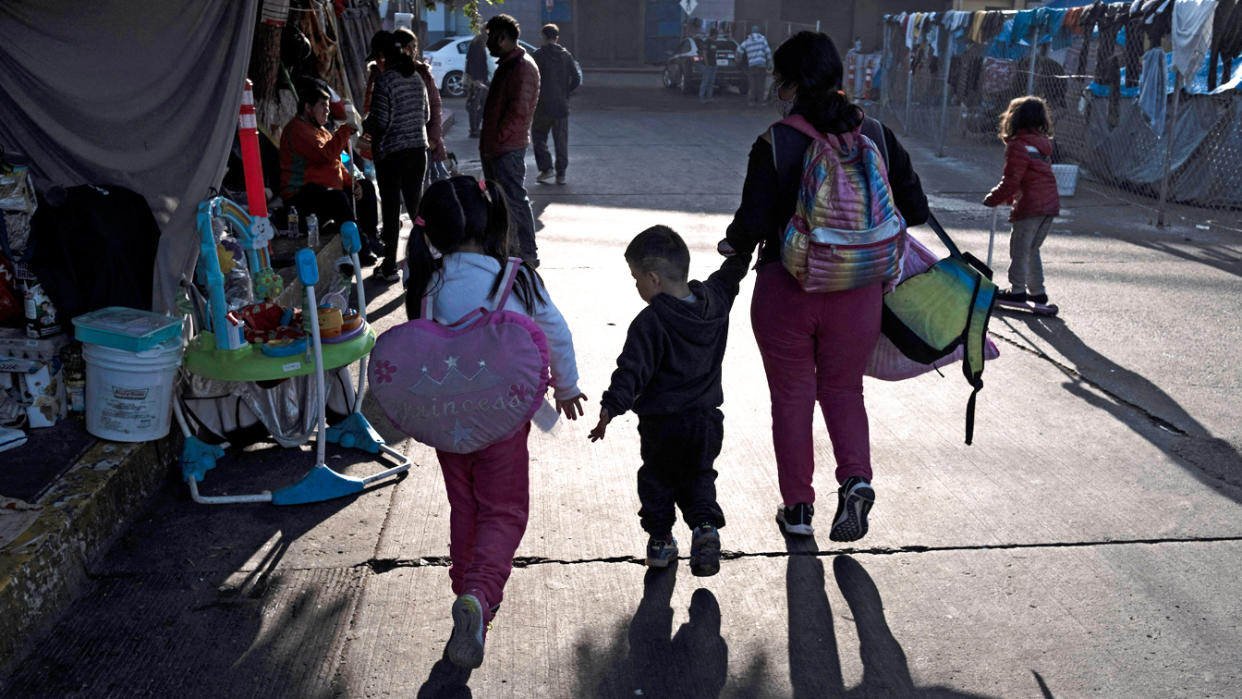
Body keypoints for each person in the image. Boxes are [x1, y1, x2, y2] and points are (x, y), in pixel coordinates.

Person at [723, 32, 929, 543]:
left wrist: (732, 248)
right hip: (859, 293)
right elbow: (917, 210)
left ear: (789, 82)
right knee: (843, 389)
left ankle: (797, 509)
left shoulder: (776, 140)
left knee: (791, 397)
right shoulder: (877, 135)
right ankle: (856, 479)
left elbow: (752, 222)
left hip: (787, 287)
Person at [405, 175, 587, 670]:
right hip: (503, 424)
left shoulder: (428, 282)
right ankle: (481, 596)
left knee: (464, 507)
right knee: (503, 511)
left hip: (447, 422)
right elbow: (557, 332)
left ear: (432, 233)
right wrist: (565, 387)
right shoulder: (516, 278)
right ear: (492, 223)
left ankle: (467, 591)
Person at [589, 225, 751, 577]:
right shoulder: (713, 301)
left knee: (657, 480)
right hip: (706, 421)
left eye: (636, 279)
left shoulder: (650, 322)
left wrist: (610, 406)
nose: (636, 286)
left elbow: (632, 370)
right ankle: (705, 528)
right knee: (700, 477)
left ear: (653, 279)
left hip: (662, 425)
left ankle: (661, 542)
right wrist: (743, 252)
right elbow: (730, 277)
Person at [364, 31, 430, 282]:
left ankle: (390, 267)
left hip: (392, 154)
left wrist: (364, 124)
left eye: (377, 59)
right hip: (418, 151)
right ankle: (430, 259)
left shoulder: (385, 81)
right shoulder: (415, 78)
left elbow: (380, 121)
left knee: (392, 213)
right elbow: (426, 117)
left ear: (383, 56)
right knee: (416, 210)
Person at [982, 95, 1060, 307]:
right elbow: (1030, 176)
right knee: (1032, 249)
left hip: (1030, 206)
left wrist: (994, 198)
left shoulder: (1018, 145)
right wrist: (1008, 197)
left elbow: (1012, 180)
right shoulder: (1042, 145)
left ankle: (1017, 290)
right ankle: (1037, 292)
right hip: (1049, 205)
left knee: (1019, 248)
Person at [480, 14, 542, 266]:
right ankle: (508, 248)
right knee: (501, 202)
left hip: (506, 148)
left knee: (515, 200)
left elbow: (519, 112)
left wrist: (497, 141)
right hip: (498, 146)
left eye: (490, 37)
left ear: (503, 37)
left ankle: (527, 252)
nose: (487, 43)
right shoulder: (509, 64)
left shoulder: (522, 67)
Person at [278, 82, 369, 252]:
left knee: (365, 188)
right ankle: (360, 247)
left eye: (328, 107)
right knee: (336, 198)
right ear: (308, 107)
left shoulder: (322, 131)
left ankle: (370, 236)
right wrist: (344, 132)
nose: (327, 111)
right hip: (300, 197)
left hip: (323, 191)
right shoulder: (297, 130)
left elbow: (337, 163)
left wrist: (352, 182)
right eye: (322, 106)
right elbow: (325, 155)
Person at [394, 28, 451, 185]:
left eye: (414, 46)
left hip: (423, 142)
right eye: (407, 46)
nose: (412, 51)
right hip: (397, 146)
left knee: (426, 187)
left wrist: (433, 137)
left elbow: (435, 106)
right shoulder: (387, 74)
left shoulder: (423, 72)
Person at [532, 23, 581, 185]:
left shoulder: (537, 55)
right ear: (557, 37)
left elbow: (531, 79)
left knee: (538, 136)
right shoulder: (566, 55)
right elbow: (576, 79)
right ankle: (561, 174)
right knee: (561, 140)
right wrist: (565, 93)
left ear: (543, 37)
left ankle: (546, 168)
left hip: (543, 105)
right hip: (561, 105)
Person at [465, 18, 490, 139]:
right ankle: (474, 130)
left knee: (481, 104)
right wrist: (476, 79)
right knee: (475, 105)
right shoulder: (477, 44)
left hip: (480, 79)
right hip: (477, 80)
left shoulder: (479, 43)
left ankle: (475, 128)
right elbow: (473, 62)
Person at [740, 25, 773, 106]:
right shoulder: (762, 40)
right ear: (759, 31)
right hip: (761, 65)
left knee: (752, 84)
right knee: (760, 83)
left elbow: (739, 50)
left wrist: (739, 60)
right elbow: (768, 52)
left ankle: (752, 101)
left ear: (751, 32)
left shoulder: (747, 41)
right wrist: (769, 63)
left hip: (751, 65)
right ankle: (760, 101)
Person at [699, 27, 722, 104]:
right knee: (705, 81)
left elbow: (715, 53)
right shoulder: (707, 42)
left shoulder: (715, 43)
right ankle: (702, 97)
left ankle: (709, 97)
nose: (717, 36)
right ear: (714, 34)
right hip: (707, 65)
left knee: (711, 82)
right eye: (717, 35)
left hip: (714, 64)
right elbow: (704, 53)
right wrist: (706, 63)